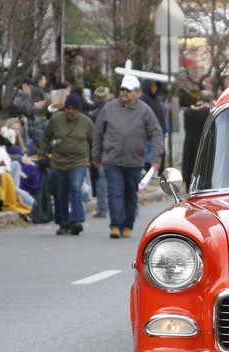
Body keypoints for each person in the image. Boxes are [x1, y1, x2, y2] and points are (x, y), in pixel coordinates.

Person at [91, 74, 163, 239]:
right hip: (112, 159)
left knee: (130, 194)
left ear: (136, 92)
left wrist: (156, 158)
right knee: (115, 192)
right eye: (122, 89)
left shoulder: (144, 110)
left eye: (128, 90)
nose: (124, 93)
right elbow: (98, 132)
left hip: (134, 161)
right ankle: (116, 225)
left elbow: (156, 133)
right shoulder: (109, 108)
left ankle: (128, 225)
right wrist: (95, 155)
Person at [43, 92, 93, 236]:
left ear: (78, 109)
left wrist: (94, 157)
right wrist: (43, 154)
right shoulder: (56, 119)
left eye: (73, 109)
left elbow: (93, 140)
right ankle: (63, 223)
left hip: (79, 161)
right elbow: (46, 137)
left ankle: (76, 220)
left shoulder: (86, 122)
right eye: (68, 108)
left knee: (75, 187)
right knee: (61, 192)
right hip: (59, 161)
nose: (70, 111)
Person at [87, 86, 114, 218]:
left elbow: (94, 135)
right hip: (116, 148)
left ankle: (102, 208)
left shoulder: (93, 115)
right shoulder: (115, 111)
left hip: (103, 150)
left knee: (102, 180)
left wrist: (94, 154)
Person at [182, 90, 213, 189]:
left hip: (189, 146)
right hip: (203, 146)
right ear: (210, 100)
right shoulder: (208, 112)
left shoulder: (187, 111)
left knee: (190, 173)